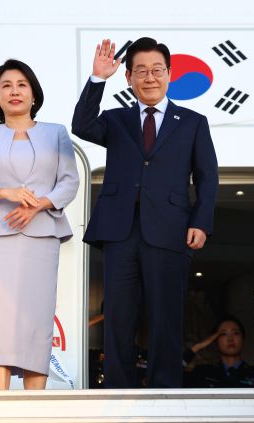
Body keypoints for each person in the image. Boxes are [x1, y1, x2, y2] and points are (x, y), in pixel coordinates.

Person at [72, 37, 219, 388]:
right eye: (141, 71)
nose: (149, 77)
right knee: (118, 315)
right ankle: (117, 389)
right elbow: (82, 125)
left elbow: (207, 177)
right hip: (120, 229)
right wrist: (97, 79)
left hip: (170, 229)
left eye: (156, 70)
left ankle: (165, 390)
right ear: (128, 77)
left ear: (169, 74)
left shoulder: (192, 122)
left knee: (166, 313)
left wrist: (201, 222)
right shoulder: (117, 119)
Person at [0, 59, 80, 390]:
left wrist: (39, 204)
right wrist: (3, 192)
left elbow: (69, 182)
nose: (15, 91)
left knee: (36, 316)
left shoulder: (56, 133)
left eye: (22, 85)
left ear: (34, 94)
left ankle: (34, 403)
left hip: (42, 234)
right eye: (6, 86)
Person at [183, 316, 254, 388]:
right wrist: (197, 347)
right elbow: (175, 377)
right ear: (215, 340)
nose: (230, 339)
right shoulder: (203, 372)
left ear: (243, 339)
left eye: (235, 333)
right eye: (223, 334)